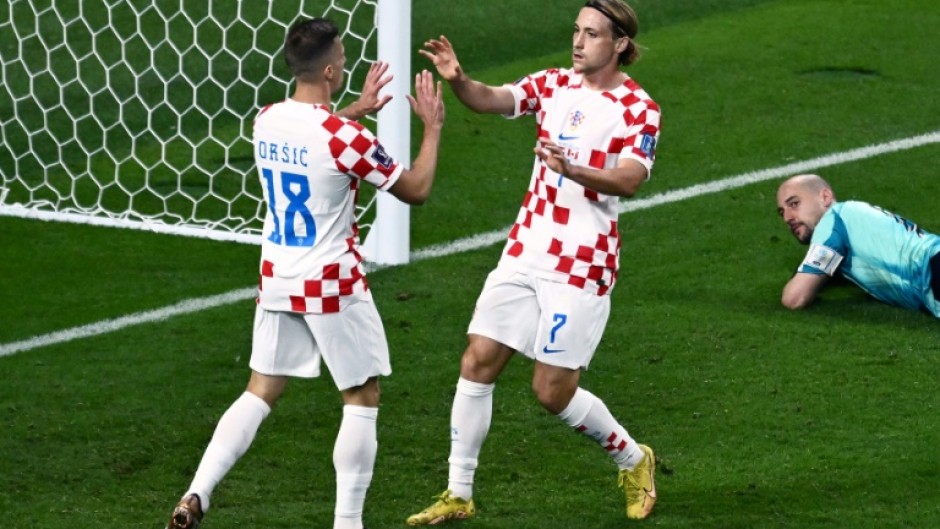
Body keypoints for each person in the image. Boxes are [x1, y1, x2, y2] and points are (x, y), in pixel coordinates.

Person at [165, 17, 445, 529]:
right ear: (333, 70)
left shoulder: (267, 118)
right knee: (361, 397)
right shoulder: (347, 138)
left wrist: (354, 111)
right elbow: (417, 188)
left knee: (260, 390)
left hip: (277, 276)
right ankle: (347, 522)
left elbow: (315, 135)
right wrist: (432, 126)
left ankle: (194, 494)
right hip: (331, 282)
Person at [406, 0, 661, 524]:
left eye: (591, 34)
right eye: (576, 31)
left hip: (582, 263)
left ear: (618, 45)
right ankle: (459, 492)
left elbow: (631, 178)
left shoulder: (639, 109)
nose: (578, 41)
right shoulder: (553, 83)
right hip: (526, 249)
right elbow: (491, 99)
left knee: (551, 391)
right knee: (477, 359)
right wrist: (458, 79)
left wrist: (574, 170)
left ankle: (633, 459)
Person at [776, 174, 940, 315]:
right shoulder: (850, 217)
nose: (787, 217)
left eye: (794, 204)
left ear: (825, 197)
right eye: (782, 212)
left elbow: (794, 298)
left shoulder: (831, 223)